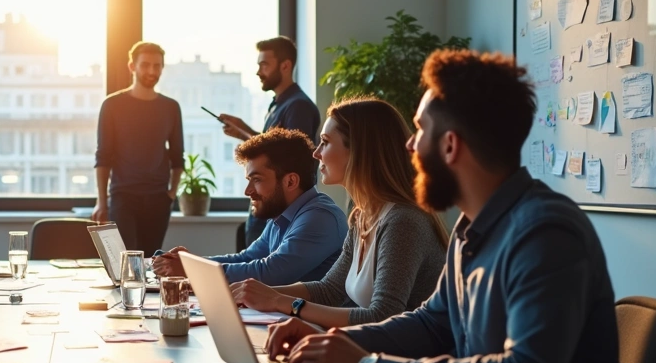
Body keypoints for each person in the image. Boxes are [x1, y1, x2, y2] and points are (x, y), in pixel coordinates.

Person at [266, 51, 628, 363]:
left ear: (450, 145)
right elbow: (432, 323)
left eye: (420, 130)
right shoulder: (471, 228)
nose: (409, 145)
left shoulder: (544, 233)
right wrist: (334, 342)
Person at [229, 98, 447, 327]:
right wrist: (257, 294)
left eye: (325, 142)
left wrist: (278, 301)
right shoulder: (362, 217)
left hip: (408, 350)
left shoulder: (402, 222)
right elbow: (330, 290)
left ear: (359, 152)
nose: (316, 153)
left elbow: (382, 316)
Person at [152, 129, 347, 285]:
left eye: (257, 179)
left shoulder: (320, 217)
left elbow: (270, 272)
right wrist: (192, 262)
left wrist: (192, 269)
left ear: (290, 181)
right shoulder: (283, 215)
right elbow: (248, 258)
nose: (247, 191)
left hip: (312, 322)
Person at [219, 36, 322, 247]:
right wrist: (244, 131)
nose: (259, 72)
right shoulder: (278, 105)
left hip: (279, 209)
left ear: (285, 66)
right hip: (268, 206)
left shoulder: (298, 106)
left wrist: (245, 134)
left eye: (264, 65)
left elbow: (290, 158)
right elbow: (273, 148)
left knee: (263, 265)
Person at [91, 41, 184, 256]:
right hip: (123, 197)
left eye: (157, 65)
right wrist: (102, 202)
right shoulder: (112, 105)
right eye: (145, 65)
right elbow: (103, 156)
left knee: (151, 261)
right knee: (126, 261)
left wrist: (171, 194)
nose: (152, 71)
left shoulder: (171, 107)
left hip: (158, 199)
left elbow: (177, 155)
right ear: (132, 67)